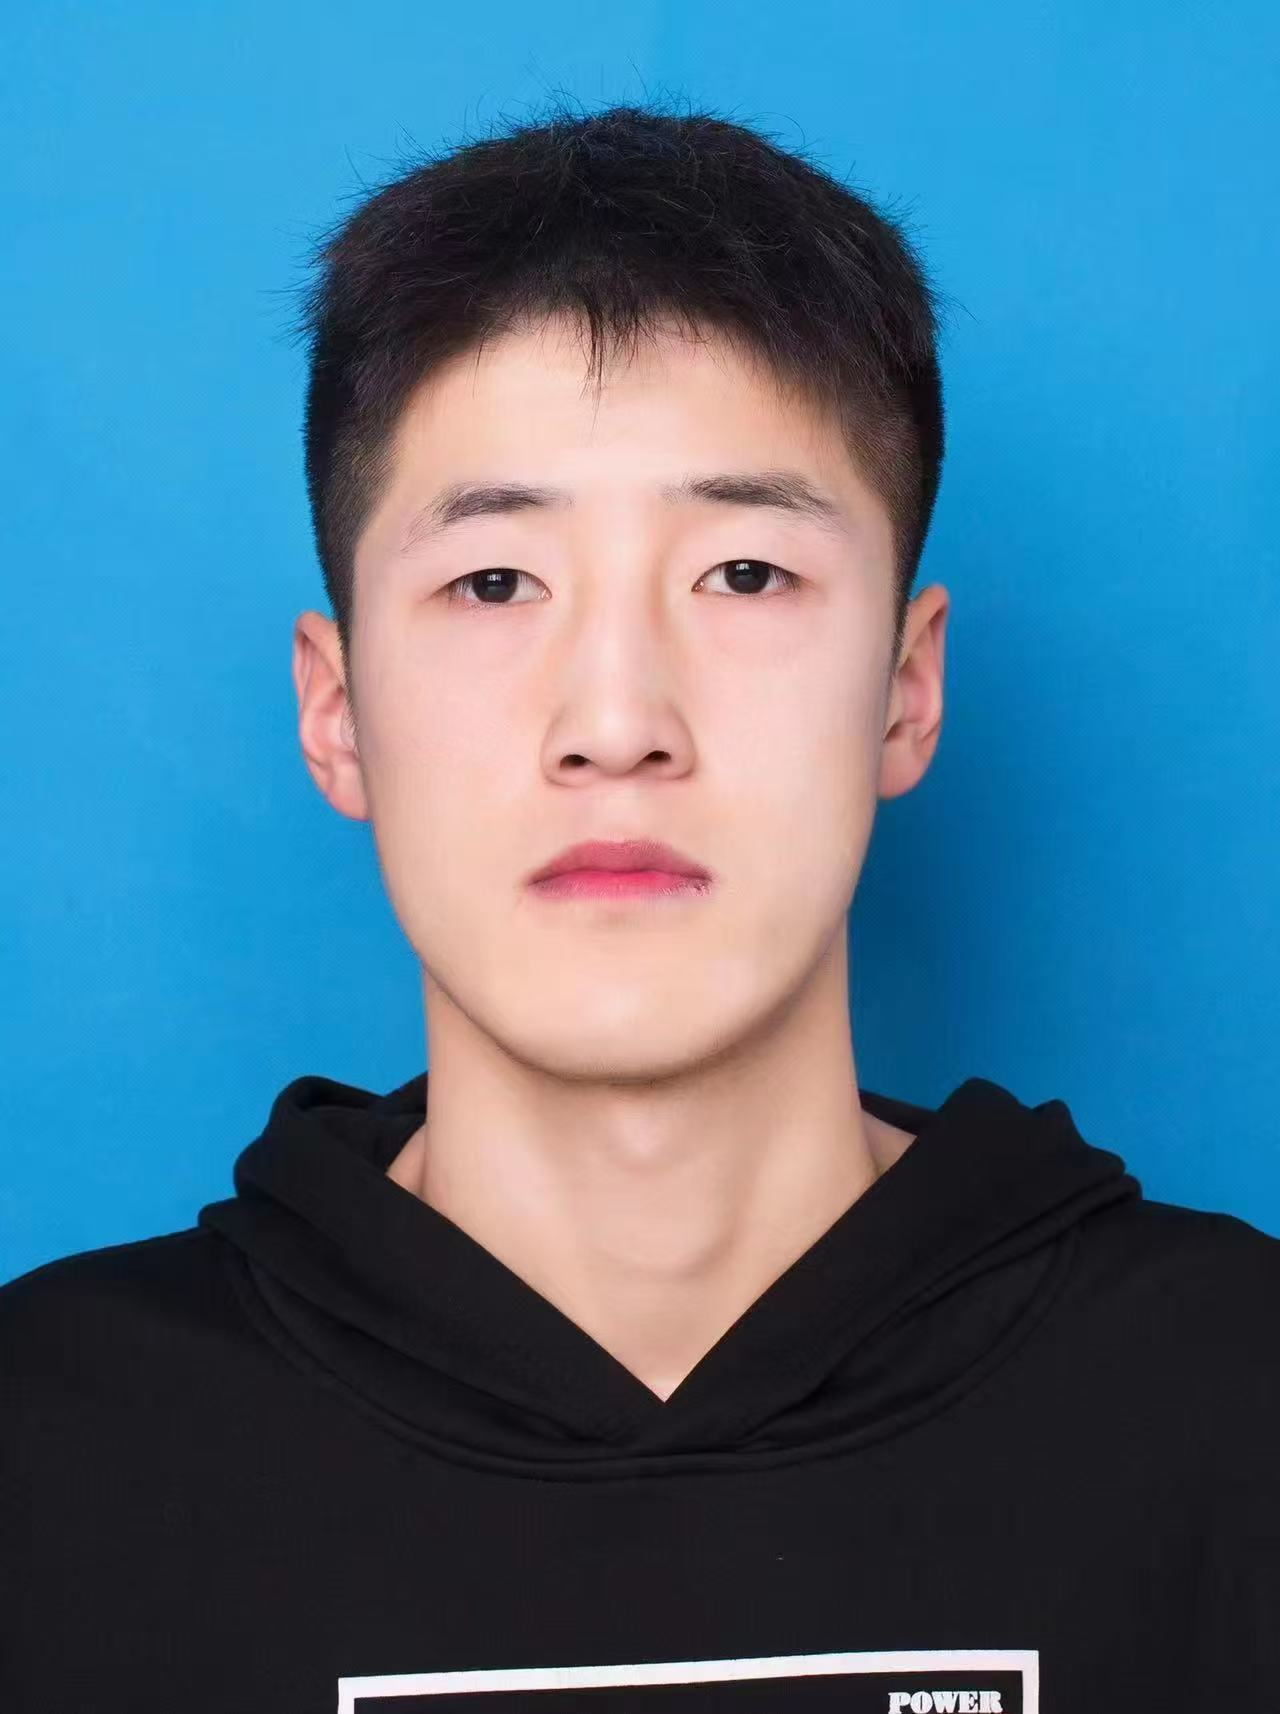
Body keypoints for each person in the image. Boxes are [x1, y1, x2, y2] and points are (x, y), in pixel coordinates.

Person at [2, 99, 1275, 1714]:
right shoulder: (50, 1453)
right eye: (493, 582)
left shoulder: (1236, 1400)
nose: (616, 721)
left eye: (743, 574)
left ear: (906, 686)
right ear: (336, 711)